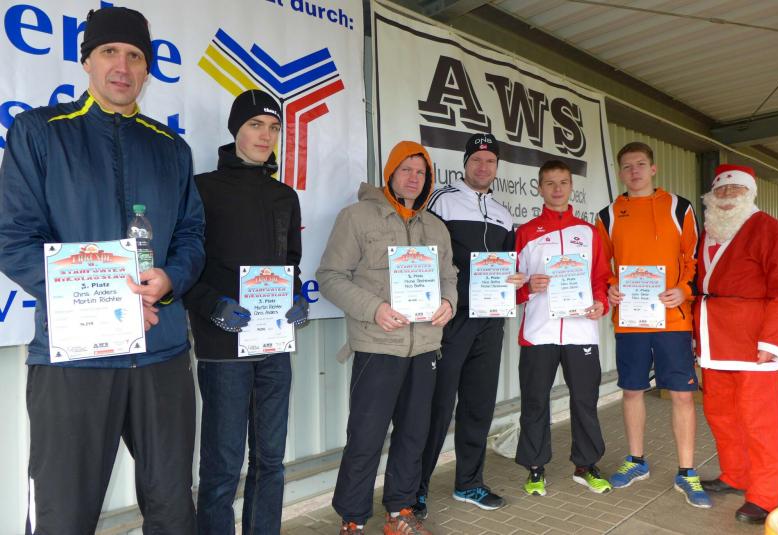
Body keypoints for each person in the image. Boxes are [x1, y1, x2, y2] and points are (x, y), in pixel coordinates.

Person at [0, 7, 205, 534]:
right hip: (75, 357)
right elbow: (13, 238)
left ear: (147, 69)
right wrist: (105, 299)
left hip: (161, 353)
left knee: (174, 511)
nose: (122, 65)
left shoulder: (171, 148)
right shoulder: (39, 132)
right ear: (86, 60)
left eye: (135, 55)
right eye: (109, 51)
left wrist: (170, 280)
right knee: (63, 516)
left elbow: (191, 234)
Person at [317, 141, 458, 535]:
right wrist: (373, 308)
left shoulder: (436, 227)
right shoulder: (357, 217)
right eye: (405, 169)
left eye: (421, 172)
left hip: (425, 347)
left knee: (414, 434)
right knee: (366, 435)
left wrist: (449, 301)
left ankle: (400, 512)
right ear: (390, 173)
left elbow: (449, 276)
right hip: (378, 346)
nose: (413, 178)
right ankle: (352, 519)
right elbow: (329, 276)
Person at [185, 89, 309, 535]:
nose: (265, 135)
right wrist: (212, 306)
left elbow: (290, 263)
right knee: (222, 467)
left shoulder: (284, 196)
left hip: (273, 346)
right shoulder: (201, 189)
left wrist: (297, 298)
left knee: (271, 461)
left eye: (274, 128)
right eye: (256, 125)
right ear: (236, 129)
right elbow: (184, 267)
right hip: (223, 350)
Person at [595, 142, 711, 508]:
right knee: (632, 391)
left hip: (672, 319)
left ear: (654, 168)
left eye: (641, 164)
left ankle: (687, 471)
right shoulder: (608, 215)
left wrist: (684, 290)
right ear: (620, 172)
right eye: (628, 166)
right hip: (631, 320)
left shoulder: (679, 207)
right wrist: (610, 287)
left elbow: (694, 257)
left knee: (681, 394)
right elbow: (601, 265)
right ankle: (636, 461)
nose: (635, 171)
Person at [414, 133, 524, 518]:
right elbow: (426, 256)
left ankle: (469, 483)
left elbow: (510, 262)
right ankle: (415, 490)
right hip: (452, 318)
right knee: (437, 406)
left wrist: (516, 279)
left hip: (490, 320)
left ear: (497, 167)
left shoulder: (503, 213)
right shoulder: (442, 200)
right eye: (476, 159)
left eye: (490, 161)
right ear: (465, 164)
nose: (483, 167)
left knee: (479, 404)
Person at [694, 164, 778, 524]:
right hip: (713, 342)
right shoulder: (707, 231)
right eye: (720, 190)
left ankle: (764, 495)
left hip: (755, 344)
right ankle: (735, 475)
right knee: (721, 416)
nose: (727, 196)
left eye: (735, 189)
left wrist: (774, 340)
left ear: (750, 193)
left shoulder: (771, 230)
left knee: (760, 423)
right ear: (711, 196)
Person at [514, 160, 611, 496]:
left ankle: (586, 465)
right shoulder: (526, 232)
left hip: (580, 331)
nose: (557, 189)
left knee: (585, 400)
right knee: (535, 402)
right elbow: (511, 285)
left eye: (563, 182)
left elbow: (600, 277)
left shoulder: (589, 232)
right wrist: (528, 288)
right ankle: (535, 468)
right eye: (550, 183)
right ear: (539, 188)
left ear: (571, 186)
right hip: (538, 332)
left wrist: (601, 302)